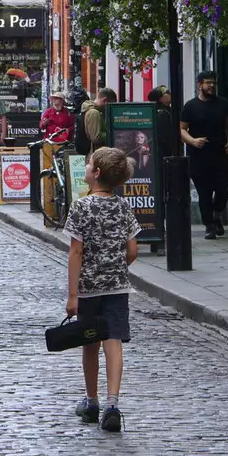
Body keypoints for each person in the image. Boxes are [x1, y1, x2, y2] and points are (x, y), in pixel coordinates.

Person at [66, 147, 140, 433]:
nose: (85, 167)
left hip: (88, 290)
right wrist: (118, 266)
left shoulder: (81, 207)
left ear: (96, 174)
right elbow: (132, 249)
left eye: (88, 164)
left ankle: (91, 401)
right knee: (114, 342)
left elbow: (76, 252)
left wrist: (72, 294)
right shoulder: (123, 207)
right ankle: (113, 403)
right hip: (117, 287)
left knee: (90, 345)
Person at [180, 72, 228, 240]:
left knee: (223, 189)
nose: (211, 86)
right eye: (208, 83)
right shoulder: (190, 106)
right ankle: (209, 225)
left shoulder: (223, 104)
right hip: (198, 156)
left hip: (220, 154)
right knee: (204, 193)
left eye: (213, 83)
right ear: (199, 85)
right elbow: (182, 129)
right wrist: (193, 141)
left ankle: (217, 215)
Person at [147, 86, 178, 162]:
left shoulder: (160, 111)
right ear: (160, 98)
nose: (170, 94)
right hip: (164, 153)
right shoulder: (162, 113)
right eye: (167, 92)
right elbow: (165, 136)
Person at [81, 89, 114, 154]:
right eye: (110, 103)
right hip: (95, 153)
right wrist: (113, 134)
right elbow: (96, 137)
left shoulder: (96, 111)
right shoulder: (94, 112)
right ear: (105, 100)